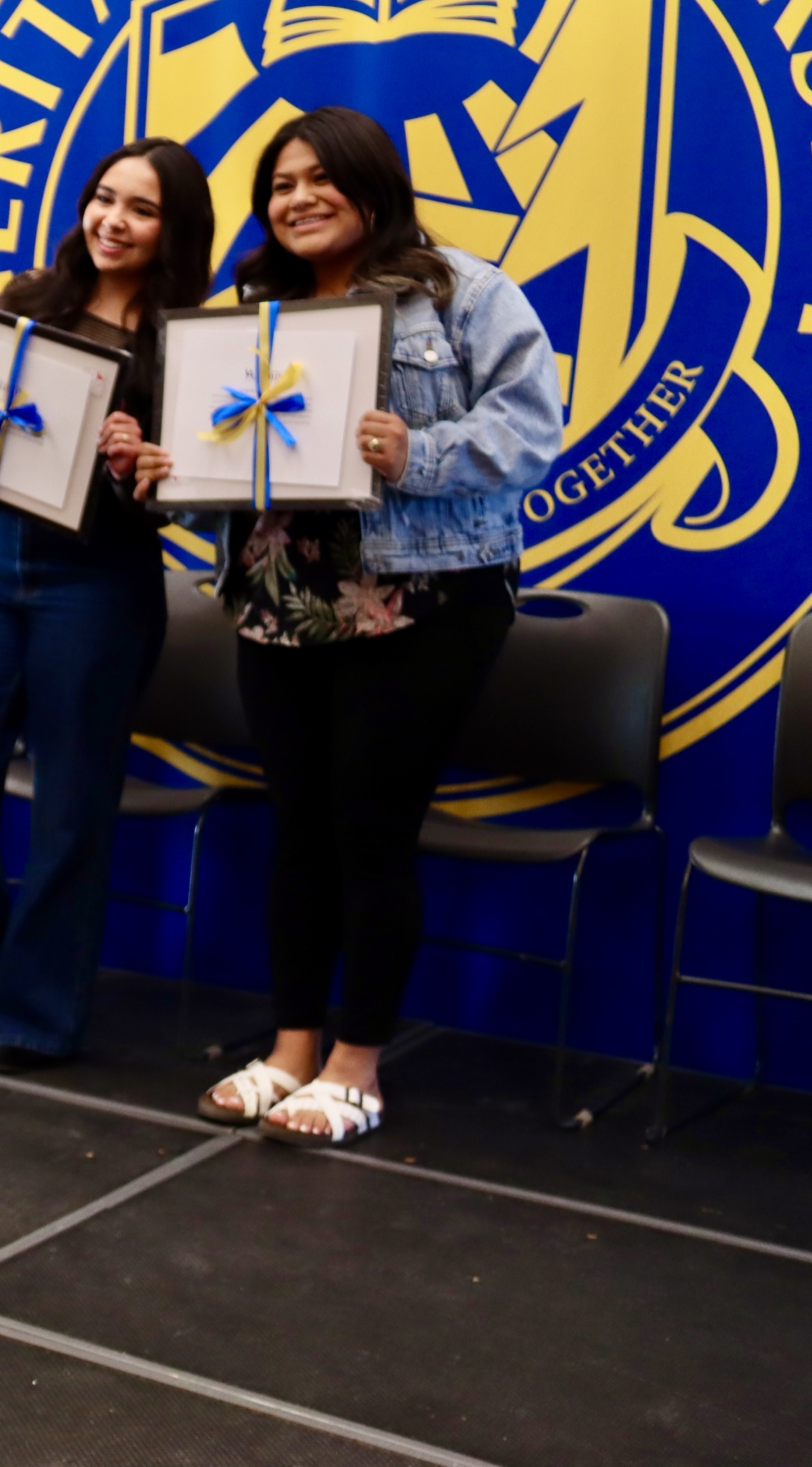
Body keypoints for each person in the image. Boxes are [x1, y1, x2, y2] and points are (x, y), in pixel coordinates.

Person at [190, 106, 561, 1147]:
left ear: (370, 184)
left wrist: (421, 450)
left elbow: (533, 427)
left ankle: (357, 1063)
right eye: (278, 184)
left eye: (319, 178)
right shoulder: (249, 304)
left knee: (368, 827)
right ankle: (290, 1048)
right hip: (278, 600)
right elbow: (224, 450)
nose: (297, 198)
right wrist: (175, 470)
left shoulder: (464, 290)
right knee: (296, 826)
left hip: (423, 599)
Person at [0, 138, 215, 1072]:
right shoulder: (25, 303)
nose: (112, 220)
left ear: (174, 228)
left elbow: (193, 487)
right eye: (103, 198)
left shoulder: (186, 345)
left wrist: (140, 460)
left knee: (71, 811)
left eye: (140, 209)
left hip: (101, 584)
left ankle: (36, 1018)